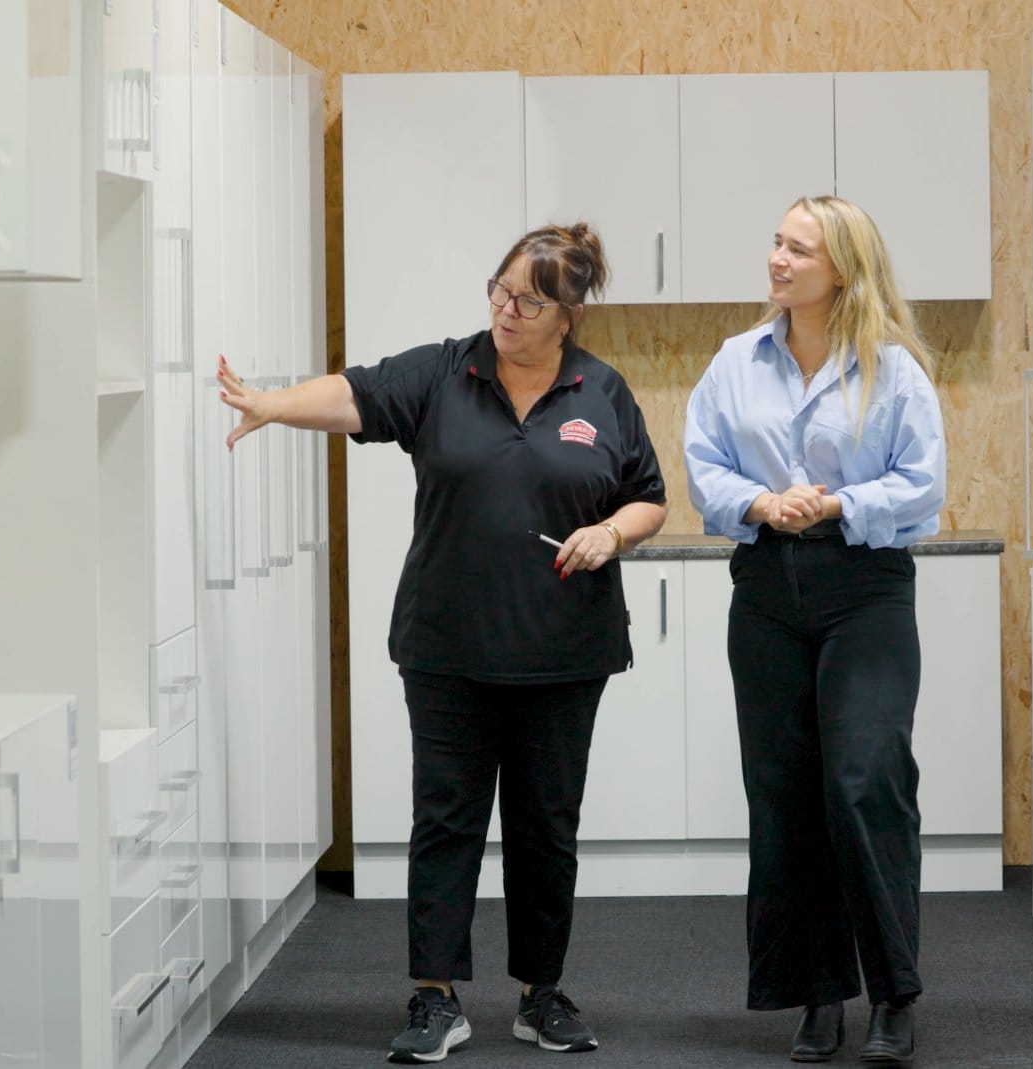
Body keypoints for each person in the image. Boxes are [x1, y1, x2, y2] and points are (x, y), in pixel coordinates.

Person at [217, 222, 668, 1063]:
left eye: (528, 300)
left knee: (545, 824)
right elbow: (355, 394)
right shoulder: (444, 371)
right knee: (447, 819)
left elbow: (650, 496)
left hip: (565, 651)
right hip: (448, 645)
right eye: (499, 290)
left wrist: (611, 531)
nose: (506, 309)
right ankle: (435, 996)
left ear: (566, 314)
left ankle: (542, 993)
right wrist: (270, 405)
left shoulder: (602, 392)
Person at [681, 195, 946, 1065]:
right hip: (765, 588)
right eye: (776, 242)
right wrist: (759, 499)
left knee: (865, 780)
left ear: (842, 267)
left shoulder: (894, 367)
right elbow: (704, 465)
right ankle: (819, 995)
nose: (778, 259)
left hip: (863, 587)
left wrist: (837, 501)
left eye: (798, 248)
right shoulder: (734, 362)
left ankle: (895, 993)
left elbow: (922, 486)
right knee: (787, 791)